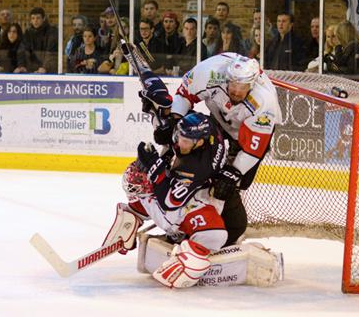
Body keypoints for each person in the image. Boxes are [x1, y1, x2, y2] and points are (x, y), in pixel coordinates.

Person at [153, 53, 282, 246]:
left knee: (230, 184)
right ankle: (183, 218)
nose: (236, 92)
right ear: (227, 78)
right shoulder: (208, 72)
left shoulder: (264, 102)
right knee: (201, 163)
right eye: (233, 85)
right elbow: (184, 94)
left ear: (252, 84)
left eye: (242, 87)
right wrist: (175, 120)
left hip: (247, 134)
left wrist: (233, 173)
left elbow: (253, 149)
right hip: (219, 121)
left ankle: (220, 231)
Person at [103, 112, 229, 288]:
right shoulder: (207, 129)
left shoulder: (195, 168)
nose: (179, 143)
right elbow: (178, 121)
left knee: (208, 232)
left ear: (199, 142)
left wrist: (155, 167)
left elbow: (169, 203)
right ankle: (136, 211)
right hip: (203, 188)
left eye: (185, 141)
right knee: (214, 233)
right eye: (179, 137)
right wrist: (160, 116)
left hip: (197, 191)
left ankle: (138, 208)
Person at [23, 7, 58, 73]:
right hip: (32, 70)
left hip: (48, 70)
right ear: (30, 20)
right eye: (33, 18)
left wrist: (45, 68)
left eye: (38, 18)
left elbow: (51, 52)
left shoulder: (52, 31)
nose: (35, 21)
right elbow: (26, 52)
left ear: (44, 19)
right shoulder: (27, 33)